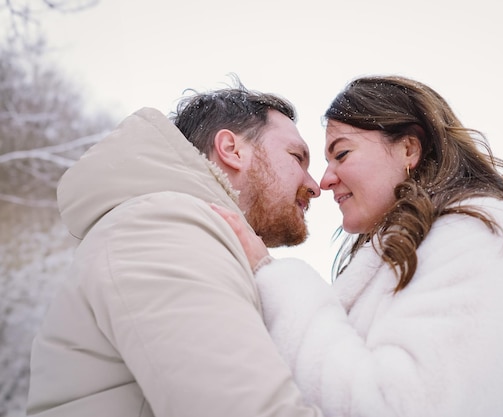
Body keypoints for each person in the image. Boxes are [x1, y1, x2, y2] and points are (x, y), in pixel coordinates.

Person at [213, 75, 503, 417]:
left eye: (341, 153)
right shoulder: (417, 250)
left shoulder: (487, 238)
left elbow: (406, 406)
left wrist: (276, 278)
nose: (325, 180)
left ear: (409, 148)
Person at [26, 81, 325, 417]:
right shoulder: (163, 226)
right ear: (232, 149)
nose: (315, 186)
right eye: (297, 157)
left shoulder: (173, 229)